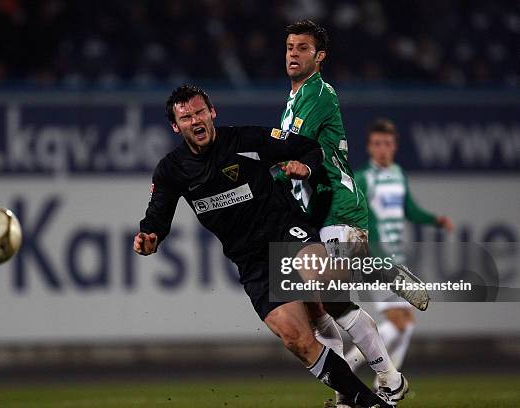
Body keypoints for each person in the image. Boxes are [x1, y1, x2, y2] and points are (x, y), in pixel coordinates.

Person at [134, 84, 396, 408]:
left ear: (212, 112)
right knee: (297, 339)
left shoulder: (247, 140)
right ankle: (365, 401)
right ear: (176, 126)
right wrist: (149, 236)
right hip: (252, 262)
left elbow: (307, 147)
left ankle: (386, 360)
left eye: (200, 112)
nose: (196, 120)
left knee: (322, 283)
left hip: (285, 231)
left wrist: (307, 167)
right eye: (186, 117)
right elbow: (157, 217)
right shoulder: (172, 170)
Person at [277, 20, 410, 407]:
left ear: (319, 57)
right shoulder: (294, 98)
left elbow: (292, 149)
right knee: (314, 308)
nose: (293, 54)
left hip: (337, 205)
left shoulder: (317, 93)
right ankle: (345, 393)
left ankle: (389, 376)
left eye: (303, 48)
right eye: (289, 47)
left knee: (333, 300)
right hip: (315, 215)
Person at [345, 118, 454, 376]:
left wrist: (435, 220)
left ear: (395, 147)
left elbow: (410, 211)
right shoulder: (362, 178)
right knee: (398, 323)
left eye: (387, 144)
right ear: (370, 147)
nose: (382, 148)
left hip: (396, 257)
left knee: (407, 324)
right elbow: (358, 218)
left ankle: (387, 383)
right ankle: (353, 367)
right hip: (374, 259)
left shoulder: (398, 175)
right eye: (377, 144)